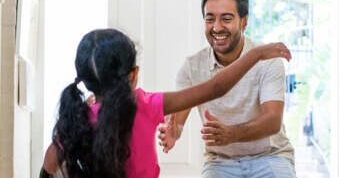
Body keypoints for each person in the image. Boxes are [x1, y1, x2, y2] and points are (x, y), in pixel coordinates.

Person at [42, 28, 290, 178]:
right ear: (133, 74)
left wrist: (76, 119)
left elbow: (50, 164)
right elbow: (217, 87)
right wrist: (256, 54)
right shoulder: (144, 104)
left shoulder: (77, 118)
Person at [158, 0, 297, 178]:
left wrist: (231, 134)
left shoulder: (267, 59)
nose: (216, 27)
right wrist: (173, 132)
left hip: (270, 157)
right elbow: (177, 121)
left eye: (226, 19)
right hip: (220, 161)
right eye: (210, 19)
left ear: (244, 22)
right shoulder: (192, 67)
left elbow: (272, 121)